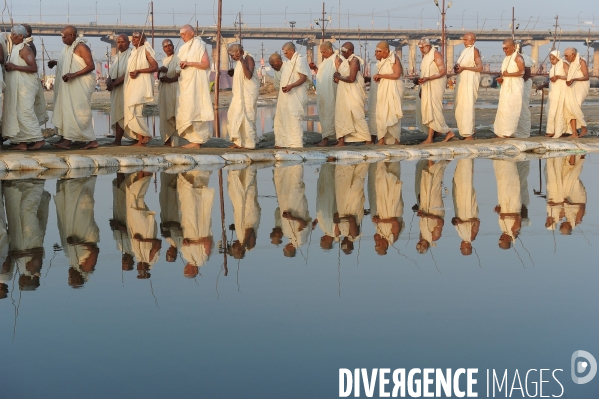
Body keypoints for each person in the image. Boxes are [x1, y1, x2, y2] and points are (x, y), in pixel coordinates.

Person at [48, 25, 97, 149]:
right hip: (70, 85)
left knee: (80, 111)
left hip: (80, 85)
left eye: (64, 37)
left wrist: (73, 75)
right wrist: (56, 63)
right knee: (68, 111)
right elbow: (68, 63)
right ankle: (68, 138)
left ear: (72, 35)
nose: (63, 39)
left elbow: (91, 66)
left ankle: (91, 140)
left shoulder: (81, 47)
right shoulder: (68, 49)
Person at [3, 25, 45, 150]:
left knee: (25, 112)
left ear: (21, 36)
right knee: (17, 113)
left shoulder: (25, 49)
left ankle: (39, 139)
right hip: (16, 86)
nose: (11, 36)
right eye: (11, 34)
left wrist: (14, 67)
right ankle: (22, 143)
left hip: (25, 87)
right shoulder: (16, 48)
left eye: (13, 34)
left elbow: (33, 68)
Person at [3, 180, 51, 290]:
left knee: (18, 209)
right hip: (31, 238)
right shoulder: (34, 270)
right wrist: (20, 254)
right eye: (21, 284)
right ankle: (36, 184)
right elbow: (38, 252)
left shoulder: (23, 270)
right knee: (28, 209)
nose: (19, 283)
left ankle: (20, 184)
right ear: (29, 283)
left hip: (20, 237)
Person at [55, 176, 100, 288]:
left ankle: (72, 178)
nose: (68, 275)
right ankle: (82, 178)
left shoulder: (74, 262)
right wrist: (77, 243)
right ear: (78, 278)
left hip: (77, 228)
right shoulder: (86, 268)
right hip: (84, 229)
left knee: (71, 203)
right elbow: (94, 250)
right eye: (71, 278)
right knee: (80, 202)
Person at [175, 24, 213, 149]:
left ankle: (198, 140)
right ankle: (192, 139)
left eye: (184, 34)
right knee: (185, 110)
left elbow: (205, 64)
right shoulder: (183, 48)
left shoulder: (199, 45)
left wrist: (189, 63)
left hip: (195, 85)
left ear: (191, 33)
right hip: (185, 84)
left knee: (196, 110)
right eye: (180, 35)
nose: (182, 37)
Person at [176, 171, 214, 276]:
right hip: (199, 226)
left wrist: (184, 240)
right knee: (196, 201)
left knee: (187, 199)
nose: (185, 269)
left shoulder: (185, 256)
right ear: (194, 271)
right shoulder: (202, 259)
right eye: (187, 271)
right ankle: (200, 171)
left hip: (187, 224)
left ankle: (187, 173)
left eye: (185, 271)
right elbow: (208, 241)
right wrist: (192, 243)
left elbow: (184, 242)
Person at [416, 38, 454, 144]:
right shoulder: (426, 57)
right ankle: (435, 133)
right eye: (419, 48)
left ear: (428, 46)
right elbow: (423, 74)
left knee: (434, 110)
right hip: (426, 86)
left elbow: (442, 71)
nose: (421, 50)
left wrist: (428, 78)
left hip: (435, 87)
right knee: (428, 110)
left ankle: (446, 132)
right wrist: (421, 88)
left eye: (422, 47)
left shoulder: (436, 55)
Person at [333, 42, 371, 147]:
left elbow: (351, 78)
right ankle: (341, 141)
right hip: (343, 95)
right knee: (342, 115)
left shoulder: (354, 60)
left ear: (351, 51)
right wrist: (337, 78)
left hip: (354, 93)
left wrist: (338, 76)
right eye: (342, 51)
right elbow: (342, 78)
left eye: (345, 51)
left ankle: (368, 140)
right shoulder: (345, 62)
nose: (343, 53)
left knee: (358, 115)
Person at [124, 32, 158, 147]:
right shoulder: (133, 52)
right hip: (132, 85)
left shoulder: (146, 50)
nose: (133, 39)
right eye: (132, 37)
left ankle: (147, 134)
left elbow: (155, 67)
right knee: (131, 111)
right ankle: (140, 140)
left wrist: (139, 71)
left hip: (141, 84)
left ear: (143, 39)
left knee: (136, 111)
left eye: (137, 37)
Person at [273, 42, 310, 148]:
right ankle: (282, 142)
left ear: (292, 51)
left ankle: (295, 144)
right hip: (286, 97)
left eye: (286, 52)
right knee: (282, 118)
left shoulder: (299, 60)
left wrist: (291, 86)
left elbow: (303, 78)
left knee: (293, 119)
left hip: (295, 96)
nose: (285, 54)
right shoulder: (290, 62)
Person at [126, 172, 162, 278]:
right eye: (140, 272)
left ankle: (141, 173)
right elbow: (158, 243)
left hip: (136, 228)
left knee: (134, 200)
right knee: (137, 200)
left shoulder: (138, 257)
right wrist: (142, 240)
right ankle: (145, 174)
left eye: (138, 272)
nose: (138, 269)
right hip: (145, 229)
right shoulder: (150, 259)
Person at [272, 164, 312, 257]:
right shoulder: (300, 241)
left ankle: (284, 164)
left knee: (284, 184)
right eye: (285, 248)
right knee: (295, 185)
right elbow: (304, 224)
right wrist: (292, 217)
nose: (285, 246)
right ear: (289, 249)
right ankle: (297, 164)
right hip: (297, 206)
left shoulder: (288, 236)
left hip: (287, 205)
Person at [227, 43, 260, 149]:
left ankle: (249, 143)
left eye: (232, 55)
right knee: (235, 115)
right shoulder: (238, 62)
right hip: (238, 95)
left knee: (247, 117)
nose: (232, 58)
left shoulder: (248, 58)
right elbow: (241, 74)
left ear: (238, 52)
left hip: (248, 94)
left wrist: (241, 60)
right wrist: (234, 72)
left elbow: (249, 75)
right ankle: (239, 142)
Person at [368, 162, 404, 256]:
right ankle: (394, 156)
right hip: (393, 207)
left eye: (376, 244)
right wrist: (380, 220)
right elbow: (395, 222)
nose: (377, 242)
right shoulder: (393, 238)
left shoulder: (382, 235)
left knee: (381, 183)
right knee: (392, 181)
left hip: (383, 207)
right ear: (385, 245)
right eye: (378, 244)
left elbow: (380, 223)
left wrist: (377, 228)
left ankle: (382, 159)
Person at [371, 41, 403, 145]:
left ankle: (396, 141)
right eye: (375, 51)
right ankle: (381, 140)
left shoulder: (394, 58)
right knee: (381, 113)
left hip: (394, 91)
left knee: (393, 113)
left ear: (386, 50)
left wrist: (381, 76)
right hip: (383, 91)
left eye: (379, 51)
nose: (376, 53)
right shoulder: (382, 62)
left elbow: (396, 74)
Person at [415, 160, 449, 254]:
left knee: (427, 183)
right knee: (435, 185)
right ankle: (447, 160)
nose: (421, 242)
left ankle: (431, 160)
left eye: (419, 244)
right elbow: (440, 221)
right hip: (436, 209)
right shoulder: (434, 237)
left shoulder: (421, 236)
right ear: (426, 246)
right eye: (422, 245)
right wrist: (426, 216)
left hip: (425, 207)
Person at [493, 39, 525, 138]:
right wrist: (502, 78)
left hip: (515, 88)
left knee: (512, 109)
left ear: (513, 47)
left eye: (506, 48)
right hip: (506, 87)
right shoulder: (507, 58)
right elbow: (505, 73)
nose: (504, 50)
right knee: (503, 109)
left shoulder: (518, 57)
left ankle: (508, 133)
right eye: (503, 48)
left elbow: (522, 72)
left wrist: (509, 75)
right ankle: (501, 132)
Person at [453, 32, 482, 140]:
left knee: (467, 107)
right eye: (463, 39)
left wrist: (464, 68)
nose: (464, 42)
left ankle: (469, 134)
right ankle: (466, 132)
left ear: (473, 41)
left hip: (469, 83)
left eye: (466, 40)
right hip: (462, 82)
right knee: (460, 107)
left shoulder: (474, 51)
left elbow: (479, 68)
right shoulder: (464, 52)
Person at [334, 163, 368, 254]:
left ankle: (347, 164)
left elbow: (335, 217)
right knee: (357, 182)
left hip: (342, 204)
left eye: (342, 244)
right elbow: (351, 219)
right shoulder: (353, 235)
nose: (343, 242)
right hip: (354, 206)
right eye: (344, 244)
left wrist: (337, 233)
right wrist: (339, 220)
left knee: (343, 184)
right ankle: (363, 161)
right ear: (350, 244)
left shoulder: (342, 233)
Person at [227, 168, 261, 259]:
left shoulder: (240, 238)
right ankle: (250, 167)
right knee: (249, 189)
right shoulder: (249, 246)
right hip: (250, 214)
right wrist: (243, 245)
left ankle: (237, 169)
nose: (233, 245)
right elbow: (250, 231)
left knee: (238, 192)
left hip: (245, 213)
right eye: (234, 248)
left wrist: (236, 226)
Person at [309, 41, 337, 146]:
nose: (323, 54)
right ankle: (326, 137)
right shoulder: (325, 62)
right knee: (324, 115)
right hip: (324, 95)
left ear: (330, 50)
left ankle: (330, 139)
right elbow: (322, 74)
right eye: (321, 52)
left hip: (333, 94)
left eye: (324, 52)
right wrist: (315, 68)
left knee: (333, 115)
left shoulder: (337, 59)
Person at [21, 24, 49, 128]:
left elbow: (32, 67)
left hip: (27, 82)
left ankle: (32, 134)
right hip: (24, 81)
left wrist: (13, 66)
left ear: (26, 33)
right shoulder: (24, 45)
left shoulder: (28, 46)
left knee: (27, 108)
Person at [106, 34, 131, 146]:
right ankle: (118, 139)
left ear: (128, 43)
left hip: (125, 88)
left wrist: (114, 83)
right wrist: (109, 81)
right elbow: (112, 72)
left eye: (122, 42)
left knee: (122, 113)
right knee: (117, 113)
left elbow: (128, 74)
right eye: (118, 42)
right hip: (116, 89)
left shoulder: (131, 55)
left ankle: (118, 141)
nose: (120, 44)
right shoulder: (117, 57)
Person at [451, 159, 480, 256]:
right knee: (466, 185)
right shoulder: (471, 237)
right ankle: (466, 161)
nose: (461, 246)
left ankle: (462, 161)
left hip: (460, 209)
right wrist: (462, 222)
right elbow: (477, 221)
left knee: (458, 186)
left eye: (461, 248)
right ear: (469, 247)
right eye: (464, 248)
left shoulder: (462, 235)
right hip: (468, 209)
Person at [493, 160, 522, 249]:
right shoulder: (514, 230)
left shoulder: (504, 229)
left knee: (502, 182)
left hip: (504, 204)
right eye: (502, 239)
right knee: (509, 180)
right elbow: (517, 217)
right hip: (513, 204)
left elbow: (503, 216)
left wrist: (499, 211)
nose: (501, 237)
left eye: (500, 238)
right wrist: (504, 214)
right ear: (508, 240)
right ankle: (509, 162)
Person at [563, 47, 590, 138]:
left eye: (567, 56)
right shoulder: (571, 64)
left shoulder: (581, 62)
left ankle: (584, 128)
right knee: (569, 107)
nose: (565, 57)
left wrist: (574, 79)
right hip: (572, 87)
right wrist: (569, 80)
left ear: (573, 55)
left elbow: (586, 76)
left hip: (581, 87)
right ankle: (574, 133)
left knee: (575, 107)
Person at [110, 173, 134, 270]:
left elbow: (116, 233)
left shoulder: (120, 248)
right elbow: (131, 234)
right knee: (124, 192)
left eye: (123, 262)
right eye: (126, 262)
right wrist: (118, 226)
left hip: (118, 215)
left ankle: (120, 168)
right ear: (132, 262)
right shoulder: (135, 250)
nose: (124, 260)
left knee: (119, 190)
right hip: (126, 217)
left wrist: (113, 226)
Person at [157, 39, 179, 146]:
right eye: (165, 46)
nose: (168, 48)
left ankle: (177, 141)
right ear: (163, 49)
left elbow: (181, 74)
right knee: (164, 114)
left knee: (174, 114)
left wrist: (170, 80)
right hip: (164, 91)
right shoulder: (165, 60)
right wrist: (160, 70)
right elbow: (159, 76)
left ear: (173, 46)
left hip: (174, 90)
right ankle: (167, 140)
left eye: (169, 45)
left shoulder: (178, 58)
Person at [315, 163, 339, 250]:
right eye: (323, 240)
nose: (322, 238)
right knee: (330, 184)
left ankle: (326, 164)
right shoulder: (334, 233)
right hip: (330, 203)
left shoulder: (324, 229)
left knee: (323, 182)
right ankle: (331, 164)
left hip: (323, 201)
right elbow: (337, 226)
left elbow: (321, 216)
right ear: (329, 241)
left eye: (321, 240)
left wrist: (315, 221)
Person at [545, 50, 569, 138]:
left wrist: (558, 77)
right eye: (550, 59)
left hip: (561, 90)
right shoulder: (553, 67)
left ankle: (561, 131)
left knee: (560, 110)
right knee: (551, 111)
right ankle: (551, 130)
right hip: (553, 91)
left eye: (553, 59)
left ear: (557, 57)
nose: (551, 61)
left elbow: (569, 76)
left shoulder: (564, 64)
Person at [515, 44, 535, 138]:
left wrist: (519, 82)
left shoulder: (524, 58)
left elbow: (527, 73)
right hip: (514, 86)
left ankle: (523, 132)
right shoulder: (510, 58)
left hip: (523, 84)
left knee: (523, 107)